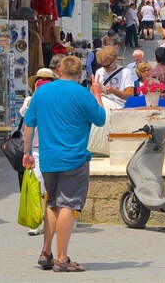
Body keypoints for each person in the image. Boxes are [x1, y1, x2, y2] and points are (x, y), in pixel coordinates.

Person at [22, 56, 106, 272]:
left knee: (52, 203)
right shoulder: (82, 94)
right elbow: (100, 119)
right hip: (74, 158)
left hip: (48, 158)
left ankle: (46, 251)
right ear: (80, 74)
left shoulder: (42, 92)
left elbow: (29, 125)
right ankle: (61, 257)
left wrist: (27, 152)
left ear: (59, 70)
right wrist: (97, 93)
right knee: (68, 204)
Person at [21, 68, 57, 236]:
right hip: (35, 149)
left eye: (46, 81)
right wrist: (37, 96)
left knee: (52, 185)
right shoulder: (30, 99)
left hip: (52, 147)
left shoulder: (57, 99)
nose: (42, 83)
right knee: (36, 184)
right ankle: (37, 220)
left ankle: (55, 219)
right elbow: (26, 116)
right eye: (39, 81)